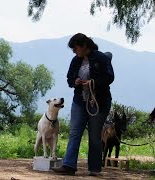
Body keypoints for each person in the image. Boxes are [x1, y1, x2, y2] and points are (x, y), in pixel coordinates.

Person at [51, 33, 114, 176]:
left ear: (84, 46)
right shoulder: (75, 61)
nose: (73, 51)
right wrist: (75, 81)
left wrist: (93, 82)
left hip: (99, 101)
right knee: (74, 132)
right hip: (80, 100)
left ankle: (94, 169)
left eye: (75, 47)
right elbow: (69, 78)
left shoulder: (101, 58)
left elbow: (109, 77)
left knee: (94, 135)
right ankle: (69, 165)